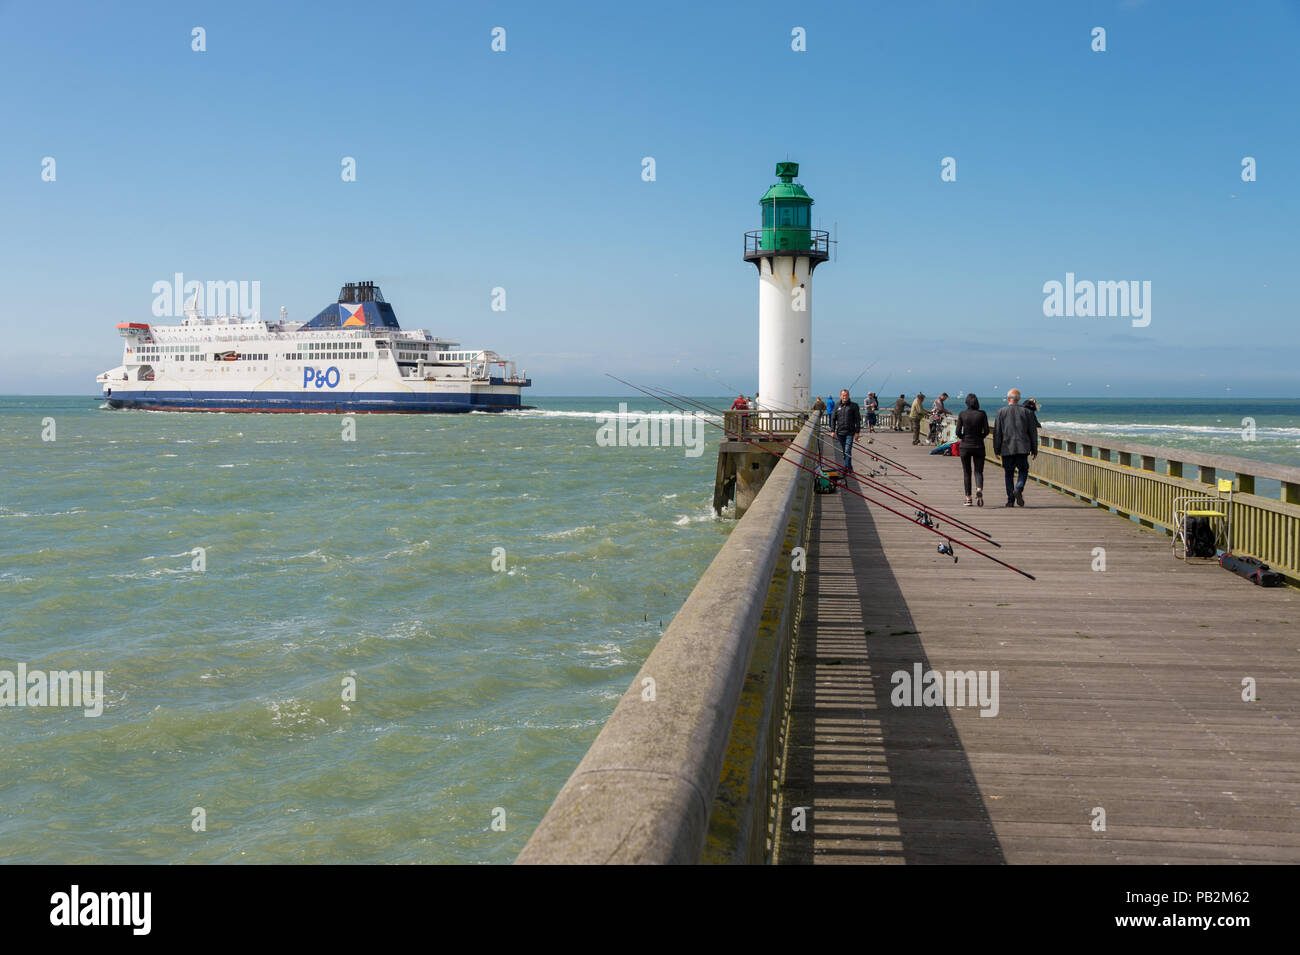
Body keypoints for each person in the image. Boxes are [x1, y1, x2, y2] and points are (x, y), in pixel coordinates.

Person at [993, 388, 1038, 507]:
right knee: (1023, 470)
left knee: (1008, 474)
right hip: (1023, 448)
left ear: (1008, 399)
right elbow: (1033, 432)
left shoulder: (1001, 412)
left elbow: (997, 433)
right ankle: (1019, 487)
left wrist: (996, 449)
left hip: (1007, 448)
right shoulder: (1027, 412)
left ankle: (1010, 500)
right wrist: (1034, 449)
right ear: (1018, 400)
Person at [956, 393, 989, 506]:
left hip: (965, 446)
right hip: (979, 446)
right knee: (978, 471)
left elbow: (958, 432)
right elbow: (987, 431)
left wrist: (964, 438)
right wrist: (981, 437)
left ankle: (968, 498)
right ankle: (979, 489)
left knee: (967, 472)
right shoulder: (982, 414)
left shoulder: (962, 414)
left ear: (966, 402)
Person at [830, 389, 861, 472]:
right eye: (843, 395)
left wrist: (857, 432)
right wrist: (832, 431)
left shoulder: (854, 406)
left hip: (850, 433)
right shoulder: (837, 405)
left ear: (849, 396)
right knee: (843, 451)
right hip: (839, 432)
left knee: (847, 450)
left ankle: (846, 468)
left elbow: (858, 420)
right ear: (840, 396)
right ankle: (849, 466)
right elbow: (833, 419)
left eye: (846, 395)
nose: (845, 397)